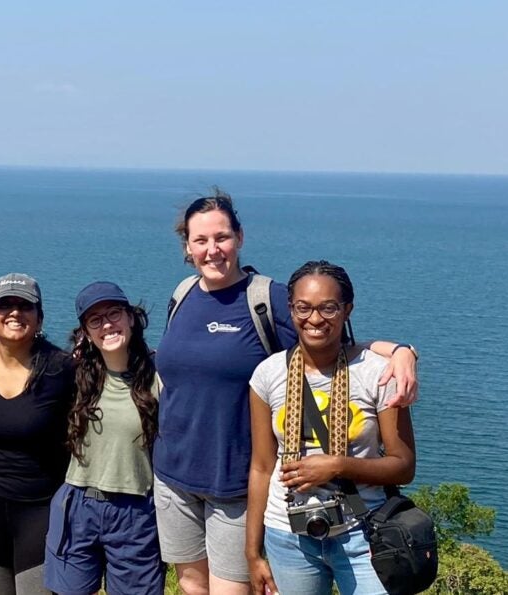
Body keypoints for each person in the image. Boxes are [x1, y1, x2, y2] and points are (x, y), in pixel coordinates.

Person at [153, 189, 419, 595]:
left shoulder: (268, 298)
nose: (212, 250)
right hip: (174, 475)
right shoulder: (183, 294)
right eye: (200, 240)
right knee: (191, 583)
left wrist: (400, 351)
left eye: (221, 237)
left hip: (234, 481)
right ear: (187, 246)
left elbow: (329, 337)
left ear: (239, 237)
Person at [246, 260, 416, 595]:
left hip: (363, 533)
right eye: (303, 308)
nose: (315, 319)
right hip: (288, 533)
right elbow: (262, 467)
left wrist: (338, 466)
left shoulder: (377, 374)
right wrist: (252, 551)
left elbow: (403, 466)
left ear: (347, 310)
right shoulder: (268, 375)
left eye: (328, 308)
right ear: (291, 309)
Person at [44, 281, 165, 595]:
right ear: (85, 331)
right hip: (78, 504)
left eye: (114, 314)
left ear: (131, 318)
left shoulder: (158, 377)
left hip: (136, 511)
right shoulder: (72, 375)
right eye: (95, 320)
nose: (107, 324)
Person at [0, 273, 75, 595]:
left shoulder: (60, 368)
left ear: (39, 318)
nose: (14, 312)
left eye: (24, 306)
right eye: (4, 305)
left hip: (39, 511)